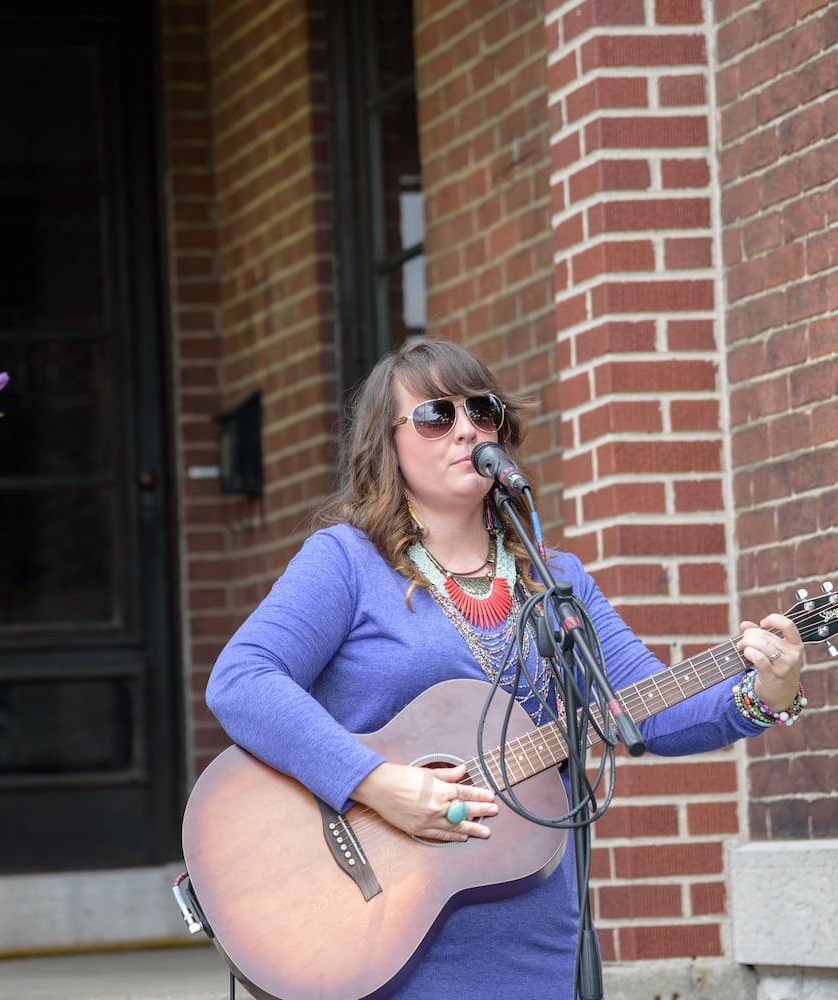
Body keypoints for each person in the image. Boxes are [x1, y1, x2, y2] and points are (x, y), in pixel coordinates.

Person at [204, 337, 806, 998]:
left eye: (482, 412)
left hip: (537, 934)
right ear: (388, 443)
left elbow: (644, 710)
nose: (467, 429)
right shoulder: (347, 562)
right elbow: (243, 680)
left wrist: (763, 692)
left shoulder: (556, 582)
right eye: (437, 415)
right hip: (380, 932)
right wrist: (374, 782)